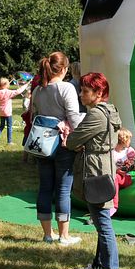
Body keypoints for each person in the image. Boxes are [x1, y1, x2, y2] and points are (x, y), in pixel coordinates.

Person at [66, 72, 121, 269]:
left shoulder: (96, 115)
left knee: (103, 222)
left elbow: (72, 141)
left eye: (85, 91)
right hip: (105, 167)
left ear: (99, 93)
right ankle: (99, 264)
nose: (81, 94)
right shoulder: (110, 110)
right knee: (100, 219)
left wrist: (78, 142)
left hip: (96, 171)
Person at [30, 52, 84, 245]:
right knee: (63, 188)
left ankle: (47, 234)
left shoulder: (38, 90)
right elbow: (74, 117)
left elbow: (32, 116)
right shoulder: (66, 88)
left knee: (44, 187)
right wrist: (80, 140)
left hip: (42, 144)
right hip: (62, 144)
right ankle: (64, 235)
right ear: (63, 69)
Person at [0, 77, 30, 145]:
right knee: (9, 126)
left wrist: (5, 84)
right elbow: (18, 91)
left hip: (1, 112)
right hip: (7, 112)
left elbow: (2, 89)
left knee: (1, 126)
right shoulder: (8, 92)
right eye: (8, 84)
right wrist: (26, 84)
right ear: (5, 85)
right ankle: (9, 141)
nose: (9, 85)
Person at [110, 127, 135, 216]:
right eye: (129, 139)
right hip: (112, 176)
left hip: (125, 177)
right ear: (124, 140)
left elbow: (131, 165)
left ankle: (114, 206)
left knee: (116, 177)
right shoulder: (111, 151)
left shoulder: (128, 151)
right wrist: (116, 170)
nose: (130, 142)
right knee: (113, 177)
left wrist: (129, 166)